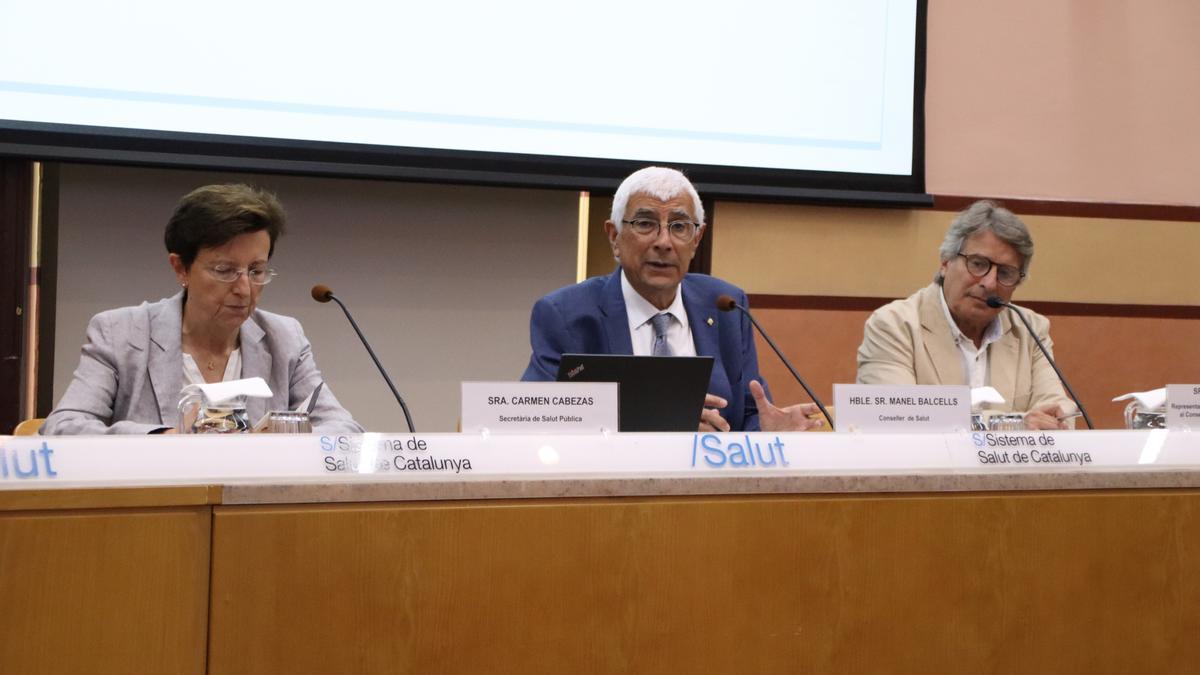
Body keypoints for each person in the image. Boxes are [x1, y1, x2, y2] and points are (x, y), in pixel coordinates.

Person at [43, 184, 362, 434]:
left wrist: (285, 439)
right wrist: (163, 439)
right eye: (225, 270)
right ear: (181, 268)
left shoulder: (285, 338)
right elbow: (64, 427)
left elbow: (344, 429)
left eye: (256, 270)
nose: (244, 288)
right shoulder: (121, 333)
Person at [522, 166, 822, 432]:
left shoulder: (727, 305)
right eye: (644, 223)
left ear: (696, 240)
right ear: (614, 237)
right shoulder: (566, 315)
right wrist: (659, 423)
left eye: (679, 226)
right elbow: (537, 419)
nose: (663, 242)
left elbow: (745, 415)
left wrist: (767, 430)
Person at [855, 200, 1073, 430]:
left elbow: (1057, 408)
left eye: (1006, 273)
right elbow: (896, 419)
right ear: (946, 262)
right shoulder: (894, 325)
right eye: (978, 264)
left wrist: (1055, 419)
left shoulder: (1031, 329)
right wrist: (1014, 425)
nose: (989, 283)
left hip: (1012, 466)